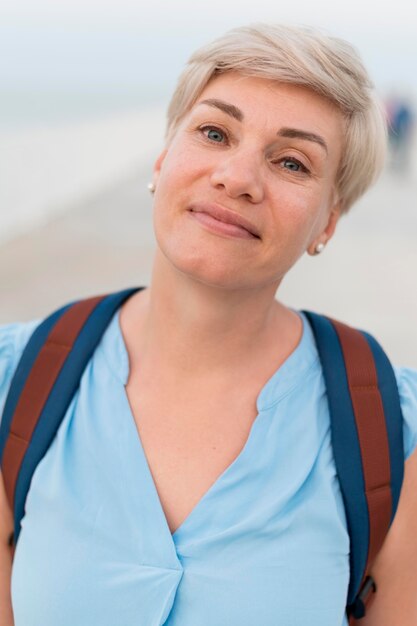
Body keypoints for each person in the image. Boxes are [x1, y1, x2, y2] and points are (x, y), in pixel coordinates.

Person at [1, 23, 417, 626]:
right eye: (215, 132)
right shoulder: (19, 382)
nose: (237, 179)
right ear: (163, 158)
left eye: (293, 162)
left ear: (329, 220)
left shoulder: (390, 432)